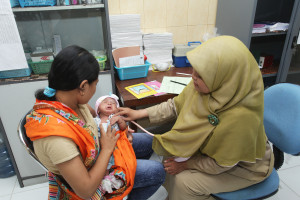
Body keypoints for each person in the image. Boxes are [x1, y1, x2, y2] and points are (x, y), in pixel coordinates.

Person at [117, 36, 274, 200]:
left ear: (224, 77)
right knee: (171, 153)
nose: (193, 77)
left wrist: (185, 165)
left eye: (200, 75)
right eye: (193, 70)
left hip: (241, 167)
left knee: (184, 183)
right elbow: (175, 105)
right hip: (210, 153)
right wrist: (139, 114)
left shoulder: (241, 118)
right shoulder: (207, 86)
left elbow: (222, 164)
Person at [24, 45, 165, 200]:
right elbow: (85, 191)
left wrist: (115, 120)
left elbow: (93, 117)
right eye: (95, 84)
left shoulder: (68, 99)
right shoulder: (56, 138)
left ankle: (130, 173)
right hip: (91, 180)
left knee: (150, 142)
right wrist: (107, 148)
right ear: (83, 86)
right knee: (157, 171)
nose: (95, 89)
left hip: (98, 149)